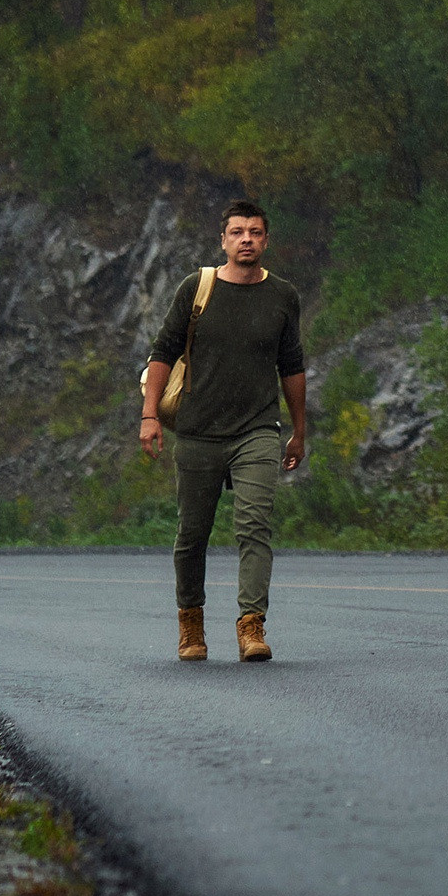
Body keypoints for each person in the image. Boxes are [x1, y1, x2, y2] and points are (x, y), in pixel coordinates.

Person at [139, 199, 307, 663]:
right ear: (224, 241)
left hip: (258, 429)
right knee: (192, 534)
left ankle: (252, 626)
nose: (246, 239)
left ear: (266, 241)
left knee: (255, 526)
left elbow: (292, 364)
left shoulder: (283, 296)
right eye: (237, 232)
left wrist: (298, 430)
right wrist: (149, 416)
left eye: (255, 232)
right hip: (198, 430)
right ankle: (191, 622)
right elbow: (163, 352)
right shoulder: (197, 288)